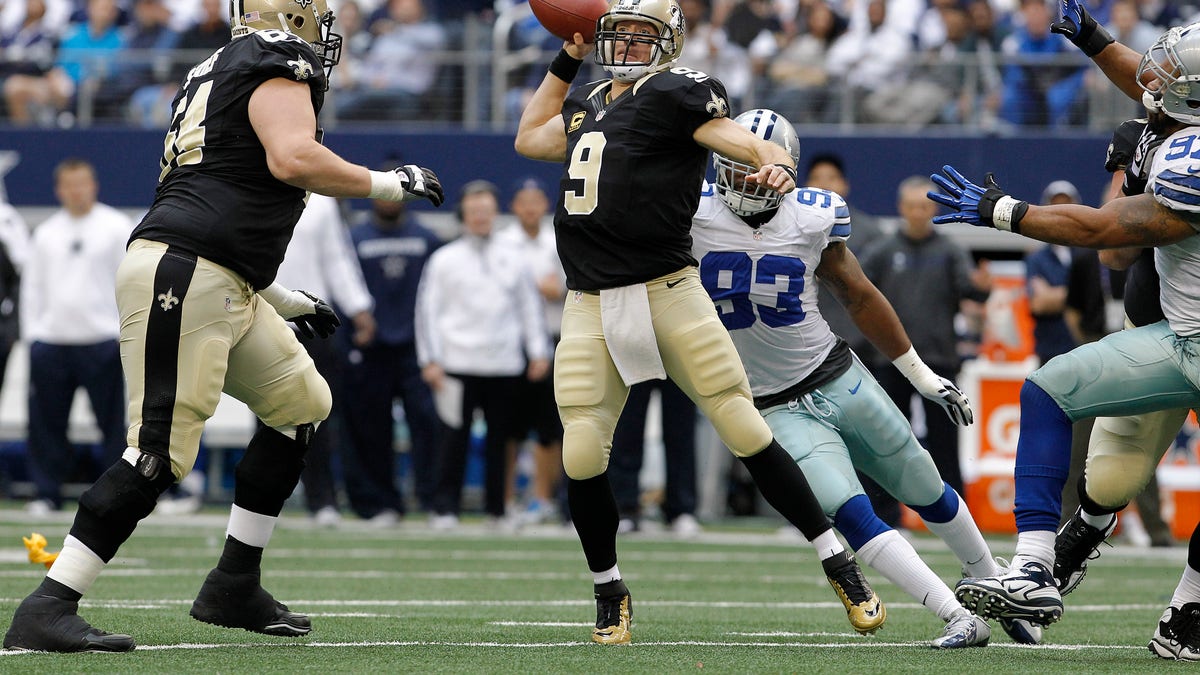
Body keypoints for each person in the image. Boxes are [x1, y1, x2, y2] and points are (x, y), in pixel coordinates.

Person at [3, 0, 444, 653]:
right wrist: (389, 182)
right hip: (189, 274)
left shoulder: (216, 68)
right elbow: (293, 158)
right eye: (318, 15)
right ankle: (49, 602)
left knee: (301, 403)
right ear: (290, 16)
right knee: (157, 451)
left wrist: (283, 296)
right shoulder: (276, 60)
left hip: (216, 273)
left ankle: (234, 581)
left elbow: (221, 193)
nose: (325, 31)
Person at [514, 0, 885, 645]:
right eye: (617, 34)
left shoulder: (680, 91)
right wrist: (565, 57)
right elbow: (528, 136)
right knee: (580, 450)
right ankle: (609, 589)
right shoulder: (592, 101)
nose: (627, 45)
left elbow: (732, 136)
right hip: (590, 301)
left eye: (641, 34)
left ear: (670, 43)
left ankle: (835, 558)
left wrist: (768, 156)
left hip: (668, 291)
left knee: (742, 423)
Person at [693, 107, 1040, 647]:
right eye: (735, 165)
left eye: (755, 166)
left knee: (925, 485)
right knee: (851, 511)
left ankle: (989, 579)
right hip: (772, 403)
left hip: (836, 374)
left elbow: (859, 295)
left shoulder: (813, 214)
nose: (744, 178)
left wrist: (921, 376)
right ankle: (957, 615)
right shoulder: (689, 216)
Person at [928, 7, 1200, 660]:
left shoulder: (1189, 156)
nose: (1148, 80)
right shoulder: (1180, 119)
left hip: (1186, 336)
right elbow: (1145, 74)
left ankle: (1184, 603)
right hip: (1180, 335)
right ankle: (1035, 567)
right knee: (1051, 391)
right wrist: (1092, 37)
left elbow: (1105, 234)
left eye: (1165, 77)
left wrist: (1006, 210)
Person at [857, 176, 991, 526]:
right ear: (901, 209)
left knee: (945, 444)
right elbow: (856, 291)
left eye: (925, 207)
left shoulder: (950, 251)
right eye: (913, 206)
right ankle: (885, 518)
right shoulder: (882, 251)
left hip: (939, 361)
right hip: (889, 361)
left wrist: (982, 288)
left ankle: (957, 521)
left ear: (933, 210)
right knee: (885, 442)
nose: (919, 213)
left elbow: (972, 291)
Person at [416, 180, 550, 529]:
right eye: (474, 211)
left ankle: (498, 510)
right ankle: (445, 508)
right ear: (463, 214)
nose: (480, 217)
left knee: (500, 441)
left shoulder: (514, 258)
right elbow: (427, 312)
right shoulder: (444, 259)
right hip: (456, 365)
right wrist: (429, 359)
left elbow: (529, 308)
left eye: (486, 211)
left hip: (504, 364)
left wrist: (538, 351)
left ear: (495, 214)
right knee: (452, 440)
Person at [20, 158, 129, 516]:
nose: (76, 191)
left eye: (82, 183)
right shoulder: (47, 233)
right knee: (46, 424)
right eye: (69, 184)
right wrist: (33, 337)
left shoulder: (115, 227)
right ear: (59, 189)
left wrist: (120, 333)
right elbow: (32, 288)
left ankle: (118, 496)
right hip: (52, 343)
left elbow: (129, 283)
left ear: (93, 185)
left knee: (113, 425)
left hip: (101, 341)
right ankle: (47, 493)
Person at [343, 163, 443, 522]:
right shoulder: (354, 239)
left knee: (428, 424)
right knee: (372, 429)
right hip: (371, 348)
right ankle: (381, 502)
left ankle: (433, 501)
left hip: (416, 348)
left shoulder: (428, 238)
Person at [274, 193, 376, 528]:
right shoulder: (247, 183)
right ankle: (264, 498)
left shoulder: (322, 202)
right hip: (261, 318)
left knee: (316, 414)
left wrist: (358, 308)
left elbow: (337, 259)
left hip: (312, 321)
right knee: (265, 414)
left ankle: (323, 499)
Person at [496, 177, 566, 527]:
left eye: (536, 201)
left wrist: (550, 289)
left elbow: (566, 288)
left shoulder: (558, 241)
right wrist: (536, 287)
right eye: (524, 202)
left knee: (549, 427)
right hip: (512, 341)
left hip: (554, 337)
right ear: (514, 207)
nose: (530, 208)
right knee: (509, 426)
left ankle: (542, 498)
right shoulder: (503, 244)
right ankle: (505, 498)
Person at [609, 378, 701, 537]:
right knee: (627, 423)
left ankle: (681, 508)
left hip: (678, 352)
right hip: (633, 354)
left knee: (681, 425)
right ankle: (624, 506)